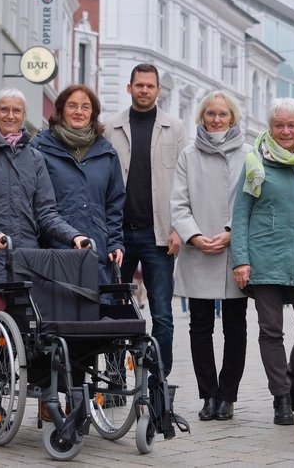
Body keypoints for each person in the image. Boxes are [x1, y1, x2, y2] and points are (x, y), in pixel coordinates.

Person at [0, 87, 89, 431]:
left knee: (28, 335)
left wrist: (73, 236)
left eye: (17, 110)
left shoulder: (34, 158)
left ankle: (23, 398)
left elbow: (46, 212)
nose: (11, 115)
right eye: (4, 109)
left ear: (24, 115)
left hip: (25, 260)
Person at [231, 98, 294, 426]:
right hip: (265, 257)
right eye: (279, 125)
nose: (286, 131)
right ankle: (281, 397)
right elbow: (241, 214)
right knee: (271, 331)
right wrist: (240, 260)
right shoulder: (255, 162)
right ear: (270, 127)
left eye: (292, 125)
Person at [104, 63, 188, 378]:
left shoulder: (175, 128)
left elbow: (185, 182)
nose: (144, 90)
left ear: (158, 90)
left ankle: (158, 383)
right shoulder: (111, 127)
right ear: (129, 88)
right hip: (118, 236)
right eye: (139, 85)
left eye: (150, 86)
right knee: (114, 310)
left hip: (160, 236)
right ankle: (114, 380)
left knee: (162, 313)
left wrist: (179, 229)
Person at [171, 91, 251, 421]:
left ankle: (227, 396)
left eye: (223, 114)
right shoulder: (188, 155)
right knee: (200, 328)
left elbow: (254, 200)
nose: (216, 119)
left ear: (232, 118)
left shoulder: (249, 154)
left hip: (235, 251)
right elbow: (178, 203)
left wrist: (232, 232)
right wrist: (194, 236)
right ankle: (208, 395)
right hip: (198, 251)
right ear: (201, 116)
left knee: (235, 327)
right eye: (211, 113)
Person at [32, 84, 125, 284]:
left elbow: (114, 205)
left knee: (96, 301)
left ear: (93, 113)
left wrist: (115, 243)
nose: (78, 112)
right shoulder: (40, 148)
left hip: (96, 249)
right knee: (57, 301)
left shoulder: (107, 153)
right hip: (51, 249)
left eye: (85, 107)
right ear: (61, 110)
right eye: (72, 105)